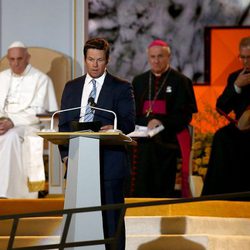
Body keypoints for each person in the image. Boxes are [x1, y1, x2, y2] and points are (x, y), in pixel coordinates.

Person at [58, 38, 135, 250]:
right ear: (85, 59)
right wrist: (66, 156)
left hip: (109, 164)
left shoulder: (121, 87)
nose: (94, 64)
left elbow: (129, 122)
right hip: (78, 163)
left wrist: (114, 126)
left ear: (107, 60)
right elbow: (63, 125)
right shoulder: (71, 87)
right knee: (79, 222)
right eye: (90, 59)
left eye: (99, 60)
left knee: (111, 224)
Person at [129, 39, 197, 198]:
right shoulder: (139, 81)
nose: (156, 60)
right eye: (152, 57)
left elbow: (185, 115)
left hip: (168, 136)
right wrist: (147, 123)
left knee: (152, 149)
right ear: (148, 58)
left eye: (160, 56)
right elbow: (132, 113)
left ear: (169, 57)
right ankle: (133, 199)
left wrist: (161, 122)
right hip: (142, 134)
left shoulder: (181, 81)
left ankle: (156, 200)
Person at [0, 41, 58, 198]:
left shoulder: (41, 79)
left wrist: (12, 121)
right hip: (3, 124)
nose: (16, 63)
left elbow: (39, 112)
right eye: (11, 59)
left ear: (27, 58)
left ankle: (7, 192)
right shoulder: (1, 78)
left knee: (10, 137)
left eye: (19, 58)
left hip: (28, 125)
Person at [202, 36, 250, 196]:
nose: (245, 61)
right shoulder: (235, 77)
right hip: (240, 128)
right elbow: (221, 106)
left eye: (249, 57)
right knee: (221, 137)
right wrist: (236, 86)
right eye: (242, 57)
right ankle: (216, 197)